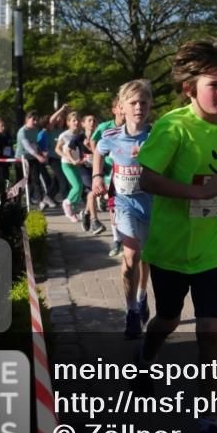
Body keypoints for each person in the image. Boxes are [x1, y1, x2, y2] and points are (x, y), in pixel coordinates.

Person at [134, 39, 217, 433]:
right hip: (170, 249)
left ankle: (209, 426)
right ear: (188, 88)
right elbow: (146, 179)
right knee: (167, 318)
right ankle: (146, 355)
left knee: (211, 335)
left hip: (215, 251)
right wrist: (193, 191)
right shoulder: (172, 127)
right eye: (214, 85)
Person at [93, 80, 154, 339]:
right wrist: (97, 176)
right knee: (131, 256)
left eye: (143, 102)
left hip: (151, 204)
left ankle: (141, 297)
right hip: (123, 203)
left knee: (146, 258)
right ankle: (130, 311)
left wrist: (150, 155)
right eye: (133, 103)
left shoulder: (157, 135)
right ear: (122, 107)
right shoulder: (111, 136)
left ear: (150, 105)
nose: (139, 107)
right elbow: (98, 150)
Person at [93, 99, 126, 256]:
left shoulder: (141, 128)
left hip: (129, 175)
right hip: (109, 169)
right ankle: (116, 240)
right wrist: (97, 172)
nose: (123, 110)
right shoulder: (105, 128)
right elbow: (94, 145)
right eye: (120, 106)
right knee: (113, 206)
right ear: (114, 110)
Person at [16, 111, 56, 209]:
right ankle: (16, 201)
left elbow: (35, 145)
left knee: (36, 180)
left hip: (32, 159)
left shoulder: (35, 130)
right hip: (21, 159)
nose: (35, 122)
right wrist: (39, 157)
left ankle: (40, 201)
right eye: (33, 119)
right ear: (27, 119)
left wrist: (42, 154)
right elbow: (27, 147)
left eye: (36, 120)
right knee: (22, 182)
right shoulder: (22, 131)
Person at [55, 112, 86, 222]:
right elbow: (57, 149)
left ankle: (72, 210)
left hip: (78, 163)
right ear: (68, 123)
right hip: (67, 164)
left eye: (78, 120)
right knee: (76, 186)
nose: (76, 122)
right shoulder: (64, 135)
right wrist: (66, 157)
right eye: (74, 120)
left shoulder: (82, 133)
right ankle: (67, 203)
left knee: (80, 187)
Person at [0, 117, 15, 186]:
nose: (3, 128)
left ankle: (5, 192)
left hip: (6, 160)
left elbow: (9, 147)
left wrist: (11, 154)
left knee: (6, 177)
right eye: (1, 126)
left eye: (4, 126)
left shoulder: (8, 136)